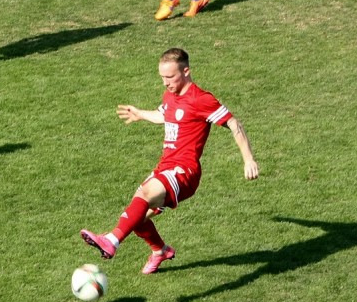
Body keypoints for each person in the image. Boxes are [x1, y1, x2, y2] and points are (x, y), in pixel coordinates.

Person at [80, 48, 259, 274]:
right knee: (136, 217)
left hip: (185, 171)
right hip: (165, 167)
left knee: (145, 195)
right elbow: (164, 115)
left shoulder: (201, 99)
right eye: (162, 77)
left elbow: (234, 123)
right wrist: (140, 114)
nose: (165, 82)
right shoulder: (170, 95)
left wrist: (248, 159)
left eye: (170, 77)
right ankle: (160, 251)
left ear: (186, 71)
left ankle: (111, 240)